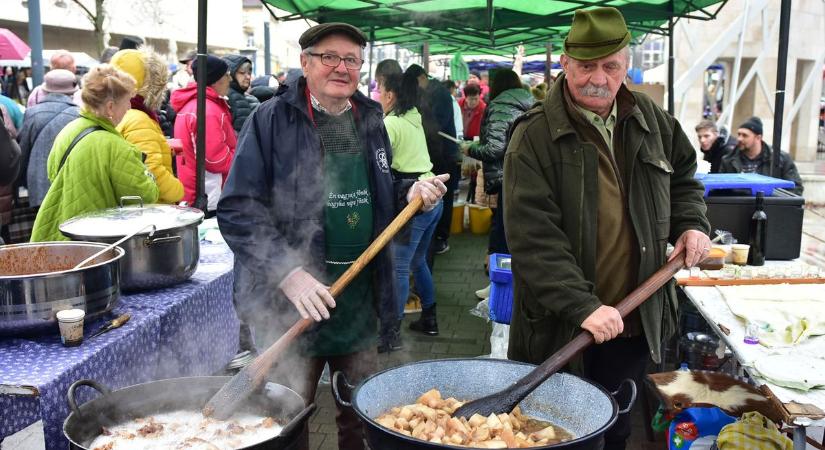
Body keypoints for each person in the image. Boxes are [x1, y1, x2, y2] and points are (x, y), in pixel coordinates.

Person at [217, 23, 447, 450]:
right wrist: (289, 273)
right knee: (290, 416)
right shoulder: (270, 120)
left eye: (352, 60)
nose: (341, 68)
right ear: (305, 62)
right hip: (291, 304)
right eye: (329, 57)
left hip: (358, 298)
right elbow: (238, 208)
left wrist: (409, 192)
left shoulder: (371, 116)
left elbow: (381, 189)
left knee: (362, 414)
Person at [504, 8, 711, 450]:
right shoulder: (534, 136)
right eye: (586, 66)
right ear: (565, 63)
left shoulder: (651, 119)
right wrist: (582, 305)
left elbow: (685, 179)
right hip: (563, 326)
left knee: (615, 428)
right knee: (555, 433)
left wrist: (692, 223)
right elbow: (533, 238)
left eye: (610, 66)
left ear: (625, 65)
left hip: (635, 316)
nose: (598, 78)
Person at [30, 65, 159, 242]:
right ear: (110, 107)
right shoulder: (116, 147)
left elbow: (52, 173)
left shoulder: (69, 130)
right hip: (96, 241)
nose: (129, 107)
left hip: (59, 231)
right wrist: (149, 175)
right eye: (127, 101)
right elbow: (145, 197)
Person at [379, 71, 443, 349]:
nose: (378, 96)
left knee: (400, 268)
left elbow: (379, 165)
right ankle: (430, 319)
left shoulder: (391, 123)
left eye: (379, 90)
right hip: (433, 196)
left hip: (415, 200)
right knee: (418, 261)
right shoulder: (414, 117)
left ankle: (391, 334)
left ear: (390, 95)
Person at [462, 69, 532, 269]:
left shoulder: (501, 105)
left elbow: (495, 148)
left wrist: (470, 149)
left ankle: (500, 286)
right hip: (528, 173)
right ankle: (511, 283)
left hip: (507, 175)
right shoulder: (528, 101)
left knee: (502, 229)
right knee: (516, 229)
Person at [111, 48, 184, 204]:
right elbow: (151, 171)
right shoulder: (138, 118)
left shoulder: (116, 113)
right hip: (152, 212)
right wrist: (178, 191)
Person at [171, 55, 236, 214]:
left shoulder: (195, 105)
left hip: (194, 192)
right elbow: (216, 159)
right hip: (209, 195)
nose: (230, 79)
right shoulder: (207, 111)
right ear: (215, 80)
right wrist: (241, 157)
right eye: (227, 75)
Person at [406, 64, 458, 255]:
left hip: (445, 153)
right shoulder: (432, 91)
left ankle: (442, 238)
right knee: (437, 194)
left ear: (421, 78)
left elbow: (435, 124)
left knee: (445, 195)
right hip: (436, 152)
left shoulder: (439, 93)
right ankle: (435, 235)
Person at [16, 69, 81, 208]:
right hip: (71, 185)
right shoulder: (79, 115)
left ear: (46, 89)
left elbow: (22, 151)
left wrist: (18, 182)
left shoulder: (32, 113)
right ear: (72, 91)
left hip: (38, 186)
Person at [720, 116, 804, 194]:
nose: (739, 138)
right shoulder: (728, 160)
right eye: (739, 134)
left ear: (758, 138)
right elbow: (720, 189)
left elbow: (796, 188)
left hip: (770, 207)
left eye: (745, 135)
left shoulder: (780, 159)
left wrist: (776, 202)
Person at [222, 54, 260, 134]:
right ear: (231, 73)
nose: (248, 77)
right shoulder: (229, 96)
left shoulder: (240, 95)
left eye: (249, 73)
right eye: (242, 73)